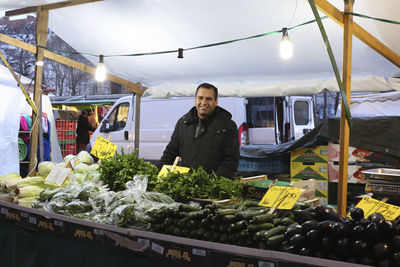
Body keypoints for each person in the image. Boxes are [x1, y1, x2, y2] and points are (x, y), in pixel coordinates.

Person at [159, 83, 239, 178]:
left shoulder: (227, 126)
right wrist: (155, 175)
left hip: (212, 187)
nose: (203, 102)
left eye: (208, 99)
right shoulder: (183, 123)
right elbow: (170, 152)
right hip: (186, 185)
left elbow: (230, 161)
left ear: (216, 101)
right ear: (195, 100)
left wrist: (213, 184)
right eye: (200, 98)